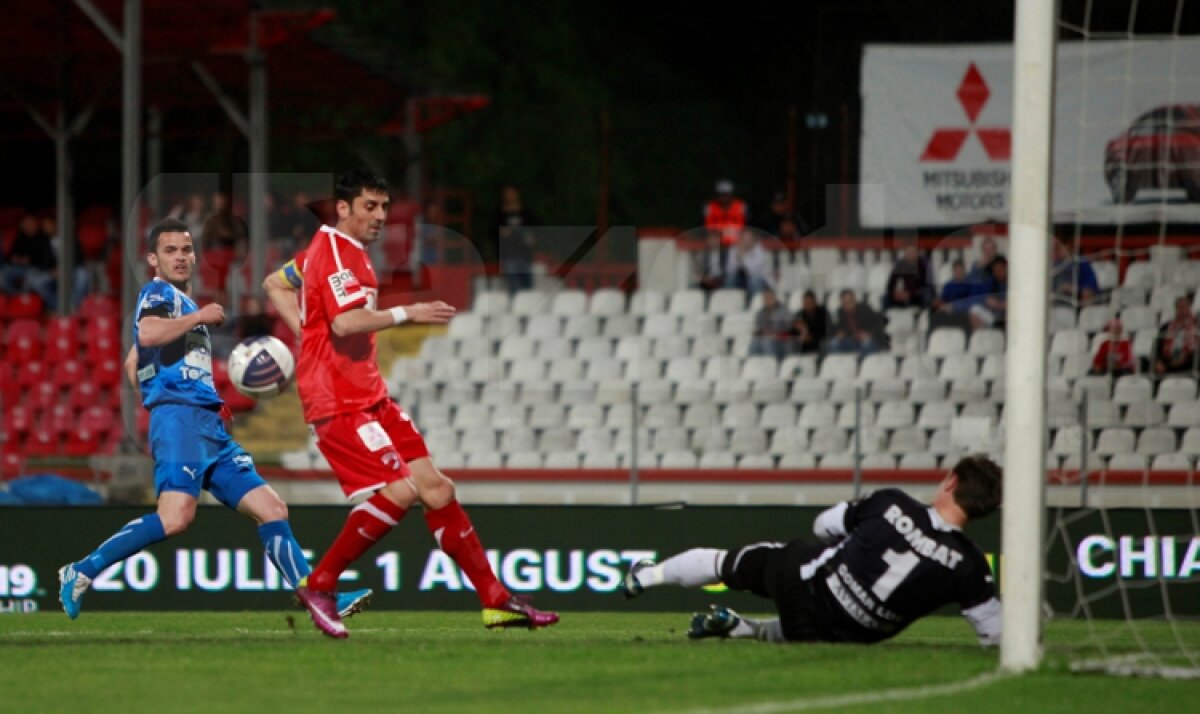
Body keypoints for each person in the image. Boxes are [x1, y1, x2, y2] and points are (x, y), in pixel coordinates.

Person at [263, 169, 558, 638]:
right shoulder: (337, 252)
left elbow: (275, 284)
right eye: (369, 206)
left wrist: (306, 334)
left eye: (384, 206)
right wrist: (408, 312)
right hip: (338, 398)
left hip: (370, 393)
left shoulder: (329, 249)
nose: (380, 216)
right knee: (400, 491)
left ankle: (495, 600)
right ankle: (319, 585)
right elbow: (345, 323)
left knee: (436, 489)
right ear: (343, 208)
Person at [57, 219, 370, 621]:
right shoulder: (159, 293)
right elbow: (148, 335)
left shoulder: (182, 305)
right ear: (152, 259)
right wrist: (174, 393)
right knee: (175, 518)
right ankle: (82, 571)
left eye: (186, 250)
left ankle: (319, 599)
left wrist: (181, 394)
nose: (180, 257)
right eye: (170, 251)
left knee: (272, 509)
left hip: (207, 425)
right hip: (181, 422)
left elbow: (134, 359)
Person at [621, 455, 1003, 647]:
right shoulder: (971, 567)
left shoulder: (893, 504)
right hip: (851, 634)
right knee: (815, 629)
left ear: (951, 481)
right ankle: (744, 629)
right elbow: (995, 635)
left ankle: (647, 575)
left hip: (804, 582)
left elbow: (823, 525)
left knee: (727, 564)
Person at [2, 213, 58, 308]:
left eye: (31, 223)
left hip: (36, 268)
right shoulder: (20, 237)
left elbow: (46, 260)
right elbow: (10, 256)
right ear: (22, 226)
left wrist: (30, 260)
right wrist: (15, 259)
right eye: (26, 224)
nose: (28, 226)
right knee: (2, 274)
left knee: (32, 279)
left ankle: (28, 302)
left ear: (36, 224)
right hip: (19, 268)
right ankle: (18, 296)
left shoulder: (43, 238)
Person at [494, 185, 537, 293]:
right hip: (509, 254)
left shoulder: (526, 213)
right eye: (507, 194)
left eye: (512, 193)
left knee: (527, 285)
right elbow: (493, 232)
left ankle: (527, 301)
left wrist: (532, 237)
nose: (510, 196)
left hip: (525, 254)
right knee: (513, 285)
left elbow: (535, 229)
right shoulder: (499, 214)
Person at [827, 290, 887, 356]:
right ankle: (840, 362)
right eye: (844, 303)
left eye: (849, 301)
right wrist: (839, 333)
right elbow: (834, 328)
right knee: (834, 343)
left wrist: (869, 334)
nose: (847, 305)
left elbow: (880, 323)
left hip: (868, 340)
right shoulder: (839, 312)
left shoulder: (865, 309)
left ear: (854, 300)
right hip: (851, 340)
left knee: (866, 344)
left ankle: (861, 361)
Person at [883, 239, 934, 310]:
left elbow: (928, 286)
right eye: (908, 252)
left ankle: (924, 314)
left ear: (917, 253)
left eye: (913, 252)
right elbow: (890, 284)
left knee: (927, 295)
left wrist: (910, 294)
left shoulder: (924, 264)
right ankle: (885, 315)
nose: (910, 254)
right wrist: (895, 293)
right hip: (904, 294)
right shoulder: (901, 264)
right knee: (885, 297)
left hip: (918, 295)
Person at [1154, 295, 1198, 376]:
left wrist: (1184, 358)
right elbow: (1158, 346)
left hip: (1189, 361)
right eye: (1180, 307)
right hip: (1168, 361)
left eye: (1184, 307)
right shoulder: (1166, 327)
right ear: (1176, 309)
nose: (1182, 310)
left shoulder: (1196, 325)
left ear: (1189, 308)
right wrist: (1158, 361)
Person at [1051, 237, 1098, 307]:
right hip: (1054, 306)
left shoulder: (1081, 263)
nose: (1054, 252)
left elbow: (1089, 292)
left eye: (1057, 248)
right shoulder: (1053, 266)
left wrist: (1071, 289)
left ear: (1068, 246)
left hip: (1075, 306)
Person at [724, 230, 773, 296]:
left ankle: (754, 300)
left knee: (754, 280)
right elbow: (729, 270)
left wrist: (743, 257)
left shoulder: (759, 249)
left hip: (760, 279)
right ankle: (729, 299)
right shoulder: (734, 249)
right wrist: (737, 259)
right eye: (743, 238)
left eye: (748, 239)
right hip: (740, 279)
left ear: (753, 240)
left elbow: (753, 272)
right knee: (730, 279)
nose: (745, 241)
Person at [750, 289, 793, 359]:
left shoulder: (784, 311)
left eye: (770, 298)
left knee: (767, 341)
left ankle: (772, 362)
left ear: (774, 298)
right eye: (766, 298)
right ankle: (751, 363)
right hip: (766, 338)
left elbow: (790, 329)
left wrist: (773, 333)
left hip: (781, 341)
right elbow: (759, 329)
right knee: (755, 342)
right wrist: (761, 333)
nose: (768, 300)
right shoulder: (760, 313)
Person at [704, 180, 748, 247]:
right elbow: (708, 226)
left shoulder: (741, 206)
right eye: (721, 195)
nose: (724, 197)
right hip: (717, 239)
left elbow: (745, 226)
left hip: (737, 240)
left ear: (731, 195)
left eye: (726, 195)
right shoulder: (709, 207)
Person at [969, 256, 1008, 332]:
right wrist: (986, 299)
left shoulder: (1013, 281)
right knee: (974, 309)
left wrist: (1002, 305)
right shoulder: (991, 281)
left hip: (1007, 316)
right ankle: (980, 336)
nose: (998, 273)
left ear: (1006, 268)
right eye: (995, 271)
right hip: (993, 315)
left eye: (1000, 270)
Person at [792, 290, 830, 354]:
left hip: (820, 340)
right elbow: (794, 332)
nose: (808, 304)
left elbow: (828, 330)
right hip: (804, 342)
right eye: (806, 302)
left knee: (824, 342)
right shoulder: (799, 315)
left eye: (810, 302)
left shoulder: (823, 312)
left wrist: (812, 337)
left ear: (815, 301)